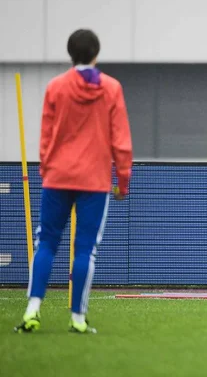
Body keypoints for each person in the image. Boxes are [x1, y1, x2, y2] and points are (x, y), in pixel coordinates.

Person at [14, 29, 133, 334]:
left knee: (46, 243)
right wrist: (123, 180)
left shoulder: (56, 87)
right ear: (96, 54)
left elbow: (46, 135)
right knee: (85, 250)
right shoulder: (111, 88)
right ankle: (78, 319)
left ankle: (32, 310)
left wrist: (46, 171)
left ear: (70, 54)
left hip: (58, 176)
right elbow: (121, 139)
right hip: (94, 179)